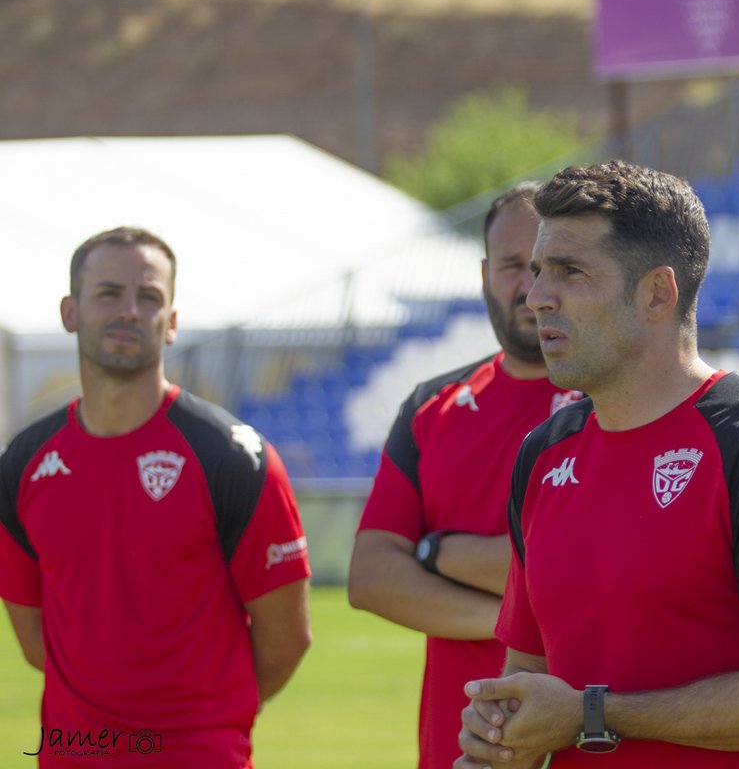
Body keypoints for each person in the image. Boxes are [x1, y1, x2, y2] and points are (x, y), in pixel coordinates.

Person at [456, 160, 739, 768]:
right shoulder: (542, 456)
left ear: (656, 293)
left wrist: (596, 715)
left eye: (570, 272)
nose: (536, 296)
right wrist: (498, 740)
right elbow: (529, 684)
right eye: (539, 272)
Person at [0, 227, 312, 768]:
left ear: (170, 324)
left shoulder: (234, 457)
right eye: (108, 293)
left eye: (148, 297)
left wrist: (199, 721)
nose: (129, 310)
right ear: (70, 312)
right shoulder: (23, 462)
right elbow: (35, 641)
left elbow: (287, 638)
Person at [347, 182, 582, 768]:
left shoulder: (615, 403)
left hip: (583, 741)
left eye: (551, 265)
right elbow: (371, 576)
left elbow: (586, 569)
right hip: (455, 750)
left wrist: (436, 553)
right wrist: (515, 627)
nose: (531, 286)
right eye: (512, 265)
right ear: (482, 274)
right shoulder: (435, 405)